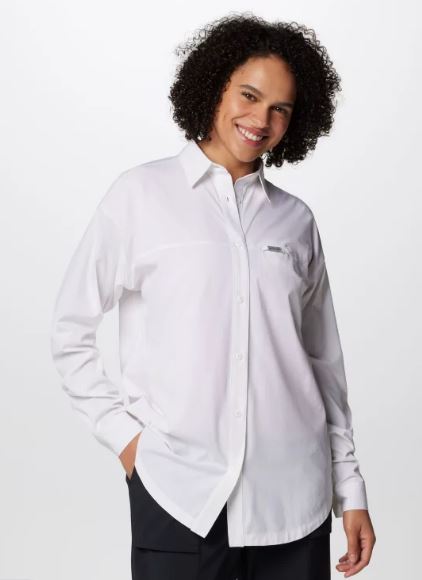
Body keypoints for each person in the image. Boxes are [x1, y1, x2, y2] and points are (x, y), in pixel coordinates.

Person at [50, 12, 376, 580]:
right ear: (214, 86)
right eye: (249, 95)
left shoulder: (296, 221)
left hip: (294, 503)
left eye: (281, 108)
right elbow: (69, 330)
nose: (261, 120)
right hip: (178, 495)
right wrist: (127, 442)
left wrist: (351, 489)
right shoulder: (139, 196)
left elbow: (324, 365)